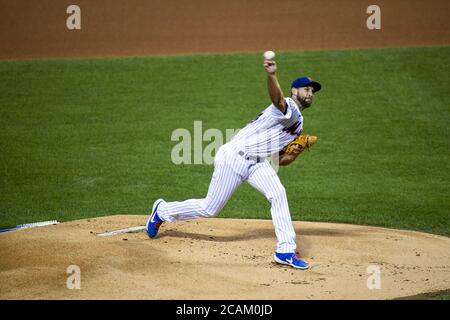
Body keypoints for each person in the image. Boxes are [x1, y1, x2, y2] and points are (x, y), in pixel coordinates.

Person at [146, 57, 321, 269]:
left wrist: (298, 150)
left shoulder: (299, 124)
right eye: (306, 89)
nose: (310, 93)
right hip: (234, 157)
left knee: (278, 193)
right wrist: (272, 75)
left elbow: (280, 160)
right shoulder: (289, 106)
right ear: (294, 91)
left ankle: (285, 250)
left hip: (257, 162)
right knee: (210, 208)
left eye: (313, 90)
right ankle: (162, 210)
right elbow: (277, 100)